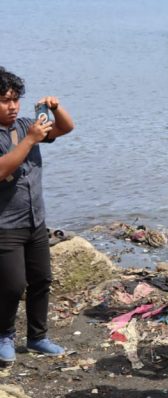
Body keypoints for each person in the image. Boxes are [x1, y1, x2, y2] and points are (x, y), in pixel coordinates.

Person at [0, 68, 75, 366]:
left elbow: (65, 129)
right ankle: (4, 335)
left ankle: (37, 337)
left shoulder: (26, 125)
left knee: (41, 279)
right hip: (5, 224)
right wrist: (30, 141)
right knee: (12, 285)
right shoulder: (26, 134)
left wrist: (56, 109)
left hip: (35, 219)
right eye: (5, 100)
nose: (13, 106)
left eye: (16, 99)